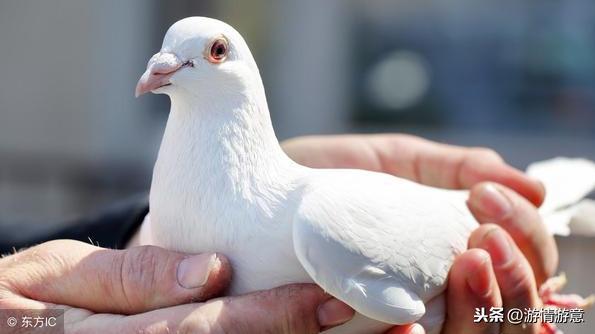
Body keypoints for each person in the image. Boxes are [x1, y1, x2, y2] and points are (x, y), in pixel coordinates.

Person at [0, 134, 556, 334]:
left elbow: (434, 309)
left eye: (214, 53)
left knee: (499, 310)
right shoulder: (169, 203)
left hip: (451, 234)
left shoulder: (322, 219)